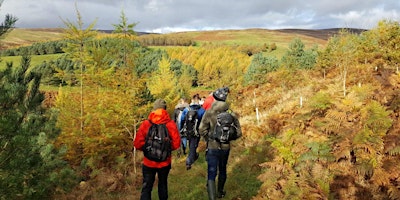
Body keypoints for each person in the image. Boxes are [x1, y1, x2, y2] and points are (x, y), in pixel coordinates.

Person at [134, 99, 181, 200]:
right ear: (165, 109)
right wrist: (166, 149)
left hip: (148, 162)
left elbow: (137, 143)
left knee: (147, 187)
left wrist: (147, 149)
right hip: (165, 162)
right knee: (163, 185)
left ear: (154, 109)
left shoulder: (146, 124)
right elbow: (176, 144)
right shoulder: (170, 124)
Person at [199, 101, 242, 200]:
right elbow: (239, 133)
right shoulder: (231, 114)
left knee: (211, 171)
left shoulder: (209, 112)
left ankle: (212, 197)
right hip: (225, 147)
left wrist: (208, 138)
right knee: (222, 169)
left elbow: (201, 129)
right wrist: (229, 138)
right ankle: (220, 192)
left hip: (212, 147)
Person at [179, 94, 206, 170]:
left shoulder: (186, 109)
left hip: (187, 129)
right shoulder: (201, 110)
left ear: (192, 100)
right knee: (193, 145)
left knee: (191, 144)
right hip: (196, 130)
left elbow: (182, 119)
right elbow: (204, 121)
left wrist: (181, 128)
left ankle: (193, 156)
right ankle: (189, 161)